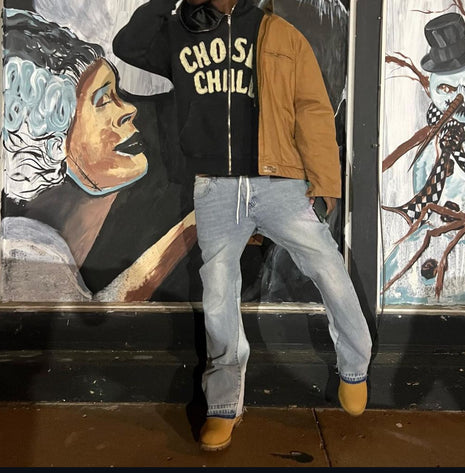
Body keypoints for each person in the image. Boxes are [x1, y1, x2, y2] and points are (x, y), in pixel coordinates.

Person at [113, 0, 372, 451]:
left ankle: (355, 368)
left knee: (329, 267)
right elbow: (129, 45)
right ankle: (223, 405)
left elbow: (312, 107)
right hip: (215, 187)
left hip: (280, 181)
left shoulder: (278, 32)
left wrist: (325, 180)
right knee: (218, 292)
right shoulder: (182, 30)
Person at [1, 8, 196, 302]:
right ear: (51, 137)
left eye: (117, 94)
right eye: (103, 100)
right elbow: (91, 317)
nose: (130, 109)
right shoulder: (21, 246)